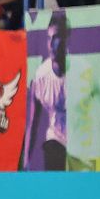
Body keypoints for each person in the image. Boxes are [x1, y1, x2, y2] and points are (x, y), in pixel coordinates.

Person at [26, 12, 69, 171]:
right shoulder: (40, 76)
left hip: (82, 142)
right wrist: (26, 161)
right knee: (51, 147)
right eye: (48, 38)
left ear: (65, 40)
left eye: (56, 38)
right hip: (56, 140)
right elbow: (32, 122)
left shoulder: (81, 73)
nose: (51, 44)